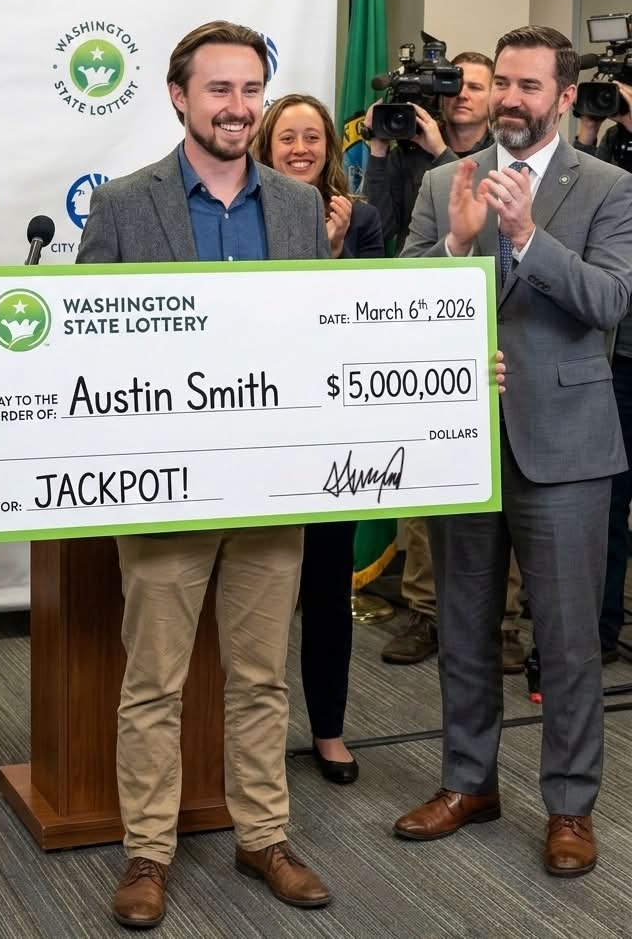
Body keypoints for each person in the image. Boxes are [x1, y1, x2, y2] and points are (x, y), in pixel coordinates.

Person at [0, 22, 332, 929]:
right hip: (164, 489)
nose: (238, 108)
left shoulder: (294, 205)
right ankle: (148, 851)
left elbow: (326, 333)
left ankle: (264, 834)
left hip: (270, 485)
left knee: (260, 675)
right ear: (179, 97)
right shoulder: (126, 204)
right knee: (155, 679)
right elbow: (81, 337)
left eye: (251, 90)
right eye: (219, 91)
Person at [394, 26, 632, 878]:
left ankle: (570, 805)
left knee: (567, 639)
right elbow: (399, 298)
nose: (512, 100)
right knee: (462, 627)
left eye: (531, 86)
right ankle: (469, 782)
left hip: (564, 445)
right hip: (461, 438)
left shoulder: (608, 187)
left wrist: (528, 236)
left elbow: (608, 301)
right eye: (504, 84)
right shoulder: (438, 184)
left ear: (565, 97)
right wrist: (459, 244)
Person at [368, 54, 526, 673]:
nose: (462, 95)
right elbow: (385, 227)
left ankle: (504, 622)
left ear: (495, 99)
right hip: (426, 341)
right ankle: (426, 612)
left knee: (499, 490)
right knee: (426, 489)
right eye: (454, 85)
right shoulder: (411, 148)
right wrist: (386, 150)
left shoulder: (506, 161)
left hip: (497, 347)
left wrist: (443, 154)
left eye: (477, 86)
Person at [252, 92, 383, 784]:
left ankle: (328, 729)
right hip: (256, 431)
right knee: (256, 590)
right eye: (287, 138)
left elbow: (372, 325)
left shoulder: (359, 217)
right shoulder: (244, 211)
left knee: (328, 588)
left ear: (330, 148)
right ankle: (254, 735)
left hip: (334, 436)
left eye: (312, 138)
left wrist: (335, 255)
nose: (300, 149)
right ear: (266, 146)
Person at [575, 78, 632, 662]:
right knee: (609, 507)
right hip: (616, 358)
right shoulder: (607, 154)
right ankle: (600, 632)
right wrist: (592, 134)